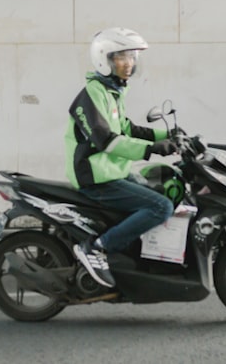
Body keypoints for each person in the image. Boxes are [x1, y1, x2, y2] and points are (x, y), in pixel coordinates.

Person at [64, 27, 178, 288]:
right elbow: (107, 140)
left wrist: (169, 134)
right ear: (105, 59)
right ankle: (96, 247)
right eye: (122, 57)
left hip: (114, 172)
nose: (130, 64)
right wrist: (152, 150)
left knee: (161, 191)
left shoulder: (112, 91)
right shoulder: (91, 95)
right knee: (161, 206)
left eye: (132, 57)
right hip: (95, 176)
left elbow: (127, 128)